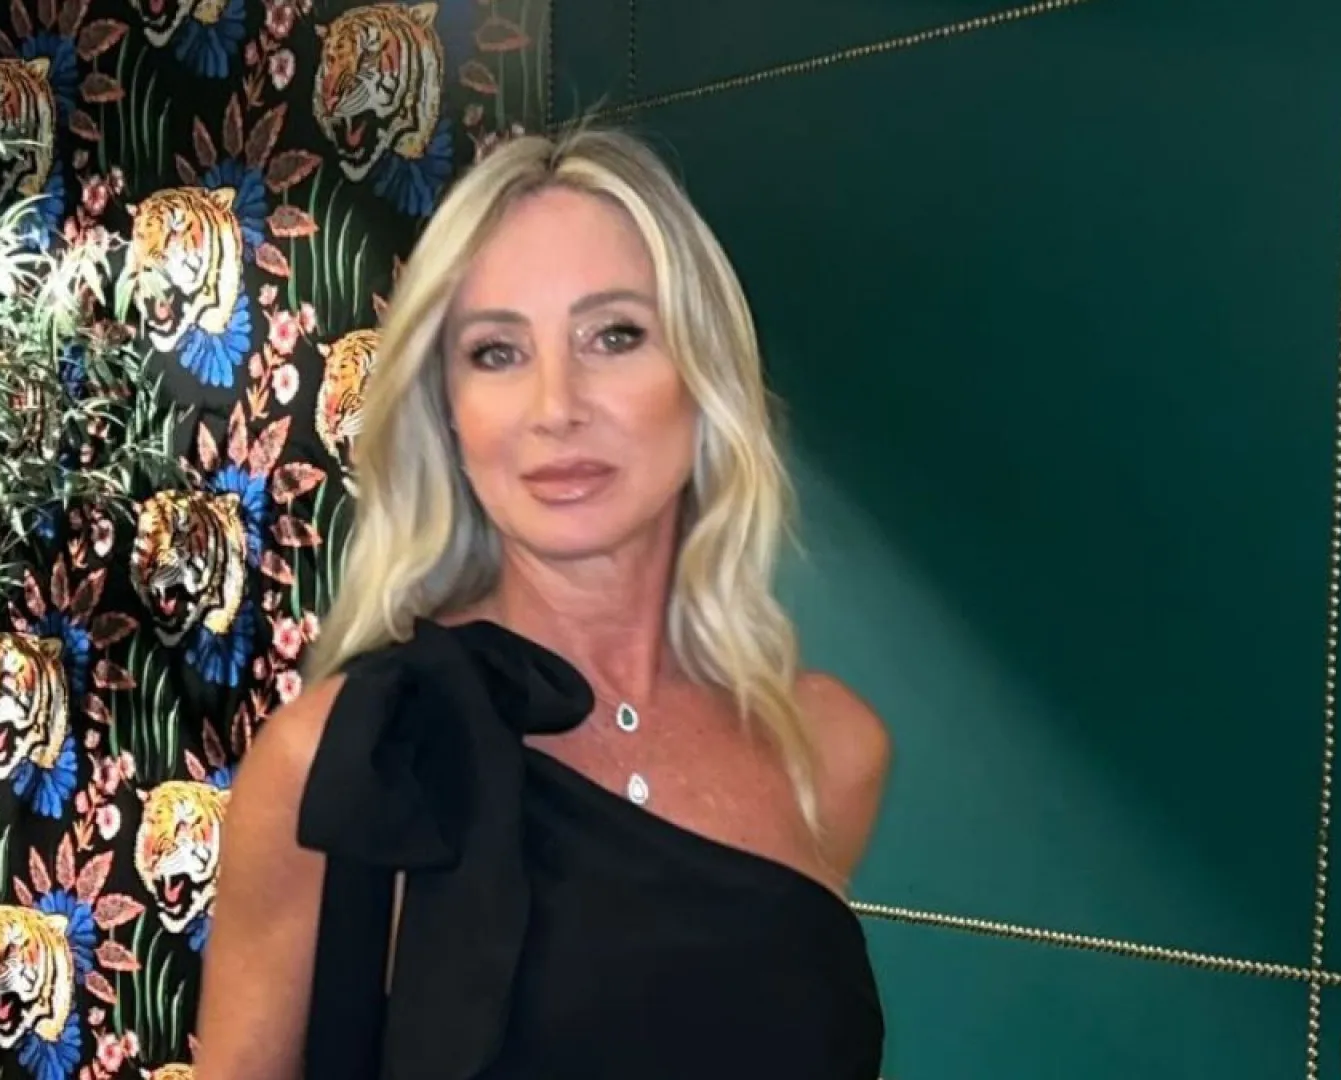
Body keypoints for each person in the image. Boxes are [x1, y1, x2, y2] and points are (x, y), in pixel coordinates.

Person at [194, 124, 894, 1079]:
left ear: (705, 376)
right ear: (448, 412)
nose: (556, 406)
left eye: (615, 336)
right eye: (496, 352)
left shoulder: (828, 751)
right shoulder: (347, 759)